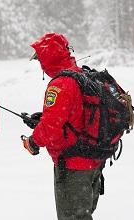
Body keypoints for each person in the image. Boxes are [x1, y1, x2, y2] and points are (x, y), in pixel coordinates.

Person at [22, 33, 103, 220]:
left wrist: (33, 142)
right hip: (93, 160)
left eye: (40, 59)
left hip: (73, 165)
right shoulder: (81, 75)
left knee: (73, 217)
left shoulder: (61, 84)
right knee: (83, 215)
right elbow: (76, 116)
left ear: (47, 58)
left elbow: (52, 127)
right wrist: (42, 119)